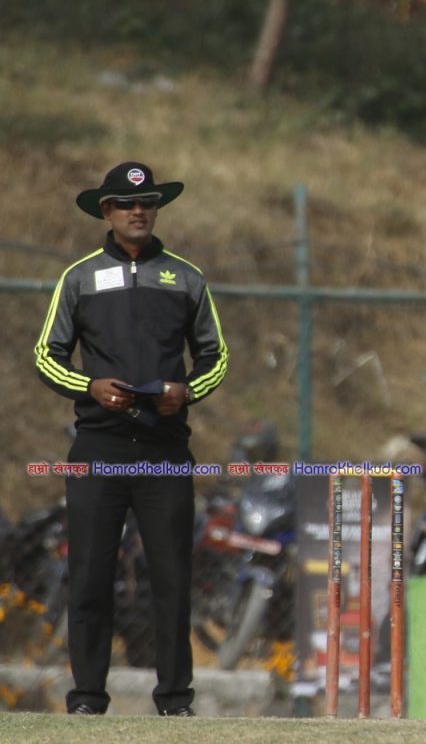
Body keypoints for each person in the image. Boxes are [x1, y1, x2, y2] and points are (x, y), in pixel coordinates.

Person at [35, 162, 229, 716]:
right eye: (125, 203)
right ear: (107, 211)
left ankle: (174, 700)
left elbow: (215, 356)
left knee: (171, 578)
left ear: (157, 209)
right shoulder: (79, 277)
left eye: (146, 203)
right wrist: (90, 386)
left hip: (165, 451)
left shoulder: (186, 277)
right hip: (99, 449)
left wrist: (185, 393)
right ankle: (87, 699)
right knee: (89, 576)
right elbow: (47, 354)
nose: (137, 211)